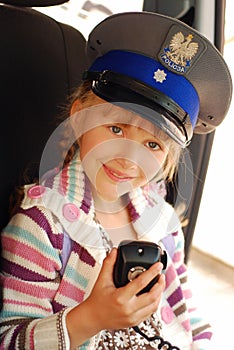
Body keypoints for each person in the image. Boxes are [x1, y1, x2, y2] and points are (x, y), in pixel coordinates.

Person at [0, 11, 232, 350]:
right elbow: (10, 340)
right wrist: (91, 318)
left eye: (153, 144)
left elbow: (185, 313)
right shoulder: (41, 226)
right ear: (79, 116)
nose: (128, 157)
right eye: (116, 128)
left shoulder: (162, 221)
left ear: (169, 156)